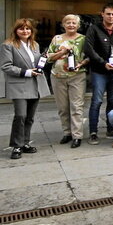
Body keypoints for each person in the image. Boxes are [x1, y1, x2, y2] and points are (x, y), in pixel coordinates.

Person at [1, 19, 51, 159]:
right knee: (20, 115)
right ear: (16, 30)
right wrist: (27, 72)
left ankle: (25, 143)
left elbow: (35, 62)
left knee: (29, 117)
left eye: (28, 29)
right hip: (20, 84)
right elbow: (6, 66)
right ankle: (16, 146)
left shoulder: (34, 44)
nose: (25, 31)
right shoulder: (8, 45)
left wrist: (43, 58)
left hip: (35, 84)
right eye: (21, 29)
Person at [84, 4, 113, 144]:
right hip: (99, 71)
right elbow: (89, 48)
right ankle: (93, 131)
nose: (111, 17)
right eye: (108, 14)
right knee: (97, 101)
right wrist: (102, 62)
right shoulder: (93, 29)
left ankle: (111, 128)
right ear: (102, 14)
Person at [47, 14, 89, 148]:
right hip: (58, 76)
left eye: (74, 23)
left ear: (78, 25)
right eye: (68, 23)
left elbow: (89, 56)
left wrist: (81, 64)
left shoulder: (83, 39)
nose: (71, 25)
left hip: (77, 76)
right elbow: (48, 57)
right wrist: (62, 52)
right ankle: (67, 133)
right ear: (63, 25)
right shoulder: (57, 39)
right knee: (63, 107)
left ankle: (77, 135)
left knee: (76, 106)